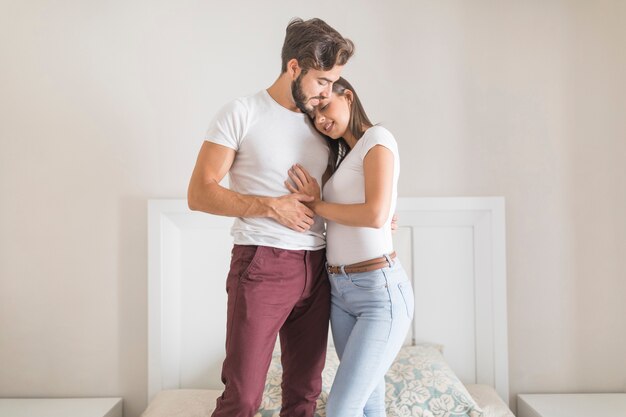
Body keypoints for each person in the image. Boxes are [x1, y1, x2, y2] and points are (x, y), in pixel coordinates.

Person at [187, 18, 354, 417]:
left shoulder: (325, 124)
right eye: (321, 81)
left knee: (304, 395)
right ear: (294, 67)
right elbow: (199, 192)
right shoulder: (242, 112)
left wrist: (380, 215)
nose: (327, 94)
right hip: (262, 263)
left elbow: (356, 179)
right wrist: (269, 205)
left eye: (333, 83)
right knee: (243, 397)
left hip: (319, 265)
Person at [285, 77, 414, 417]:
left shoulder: (378, 139)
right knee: (369, 403)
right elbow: (374, 214)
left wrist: (317, 205)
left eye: (324, 105)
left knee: (343, 408)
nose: (320, 119)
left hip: (378, 292)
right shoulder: (345, 157)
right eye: (313, 115)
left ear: (349, 97)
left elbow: (374, 214)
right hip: (340, 291)